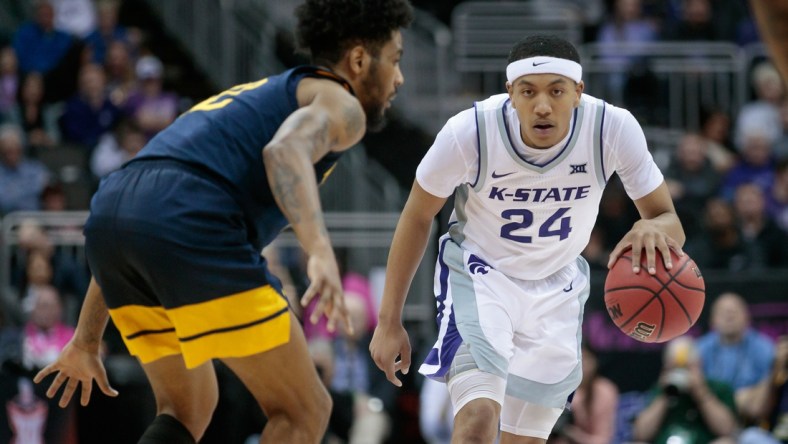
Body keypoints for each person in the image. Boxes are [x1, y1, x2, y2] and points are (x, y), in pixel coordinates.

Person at [32, 1, 414, 444]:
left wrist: (86, 338)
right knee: (305, 409)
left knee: (186, 407)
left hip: (115, 212)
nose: (399, 79)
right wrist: (321, 253)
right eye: (396, 60)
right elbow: (285, 153)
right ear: (360, 59)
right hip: (192, 220)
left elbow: (138, 216)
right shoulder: (340, 103)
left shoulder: (250, 96)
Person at [370, 34, 685, 442]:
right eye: (528, 91)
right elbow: (417, 215)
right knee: (479, 418)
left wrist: (651, 226)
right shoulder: (471, 131)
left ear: (578, 93)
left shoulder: (611, 127)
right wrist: (388, 319)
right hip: (481, 275)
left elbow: (668, 218)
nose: (542, 105)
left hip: (558, 288)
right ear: (510, 94)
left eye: (556, 91)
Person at [631, 336, 739, 444]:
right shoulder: (660, 389)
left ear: (699, 364)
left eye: (686, 368)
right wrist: (664, 396)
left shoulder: (718, 388)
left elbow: (727, 430)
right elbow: (640, 434)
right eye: (676, 368)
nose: (681, 374)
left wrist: (701, 393)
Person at [697, 292, 776, 423]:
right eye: (723, 312)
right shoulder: (699, 350)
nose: (729, 315)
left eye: (735, 311)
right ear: (712, 320)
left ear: (747, 317)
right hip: (708, 418)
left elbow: (771, 390)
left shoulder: (765, 348)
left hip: (752, 421)